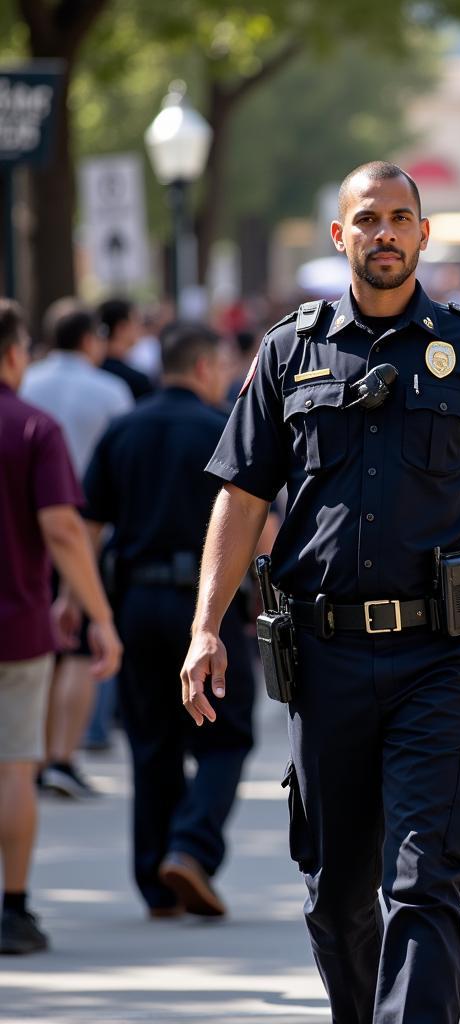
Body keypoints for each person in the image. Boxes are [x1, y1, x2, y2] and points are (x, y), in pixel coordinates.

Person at [179, 161, 460, 1023]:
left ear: (424, 235)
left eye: (400, 218)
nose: (384, 233)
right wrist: (207, 627)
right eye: (367, 219)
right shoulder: (289, 350)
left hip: (443, 657)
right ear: (340, 235)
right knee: (336, 896)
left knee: (427, 884)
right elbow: (240, 497)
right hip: (325, 658)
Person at [82, 322, 255, 919]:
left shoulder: (124, 429)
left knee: (152, 741)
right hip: (206, 605)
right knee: (226, 735)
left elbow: (88, 523)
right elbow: (259, 522)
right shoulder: (220, 430)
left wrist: (79, 603)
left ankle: (157, 885)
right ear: (206, 368)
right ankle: (190, 848)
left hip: (135, 601)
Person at [0, 300, 121, 955]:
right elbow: (63, 528)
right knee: (15, 768)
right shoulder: (30, 427)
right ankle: (12, 909)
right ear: (14, 353)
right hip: (16, 623)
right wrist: (97, 614)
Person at [20, 299, 134, 799]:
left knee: (39, 646)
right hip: (88, 527)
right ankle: (63, 756)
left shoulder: (29, 384)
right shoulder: (109, 390)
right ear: (91, 340)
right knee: (81, 647)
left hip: (23, 529)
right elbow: (123, 463)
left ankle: (35, 753)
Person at [98, 297, 154, 401]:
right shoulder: (137, 381)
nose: (140, 328)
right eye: (136, 321)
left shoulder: (91, 369)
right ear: (121, 327)